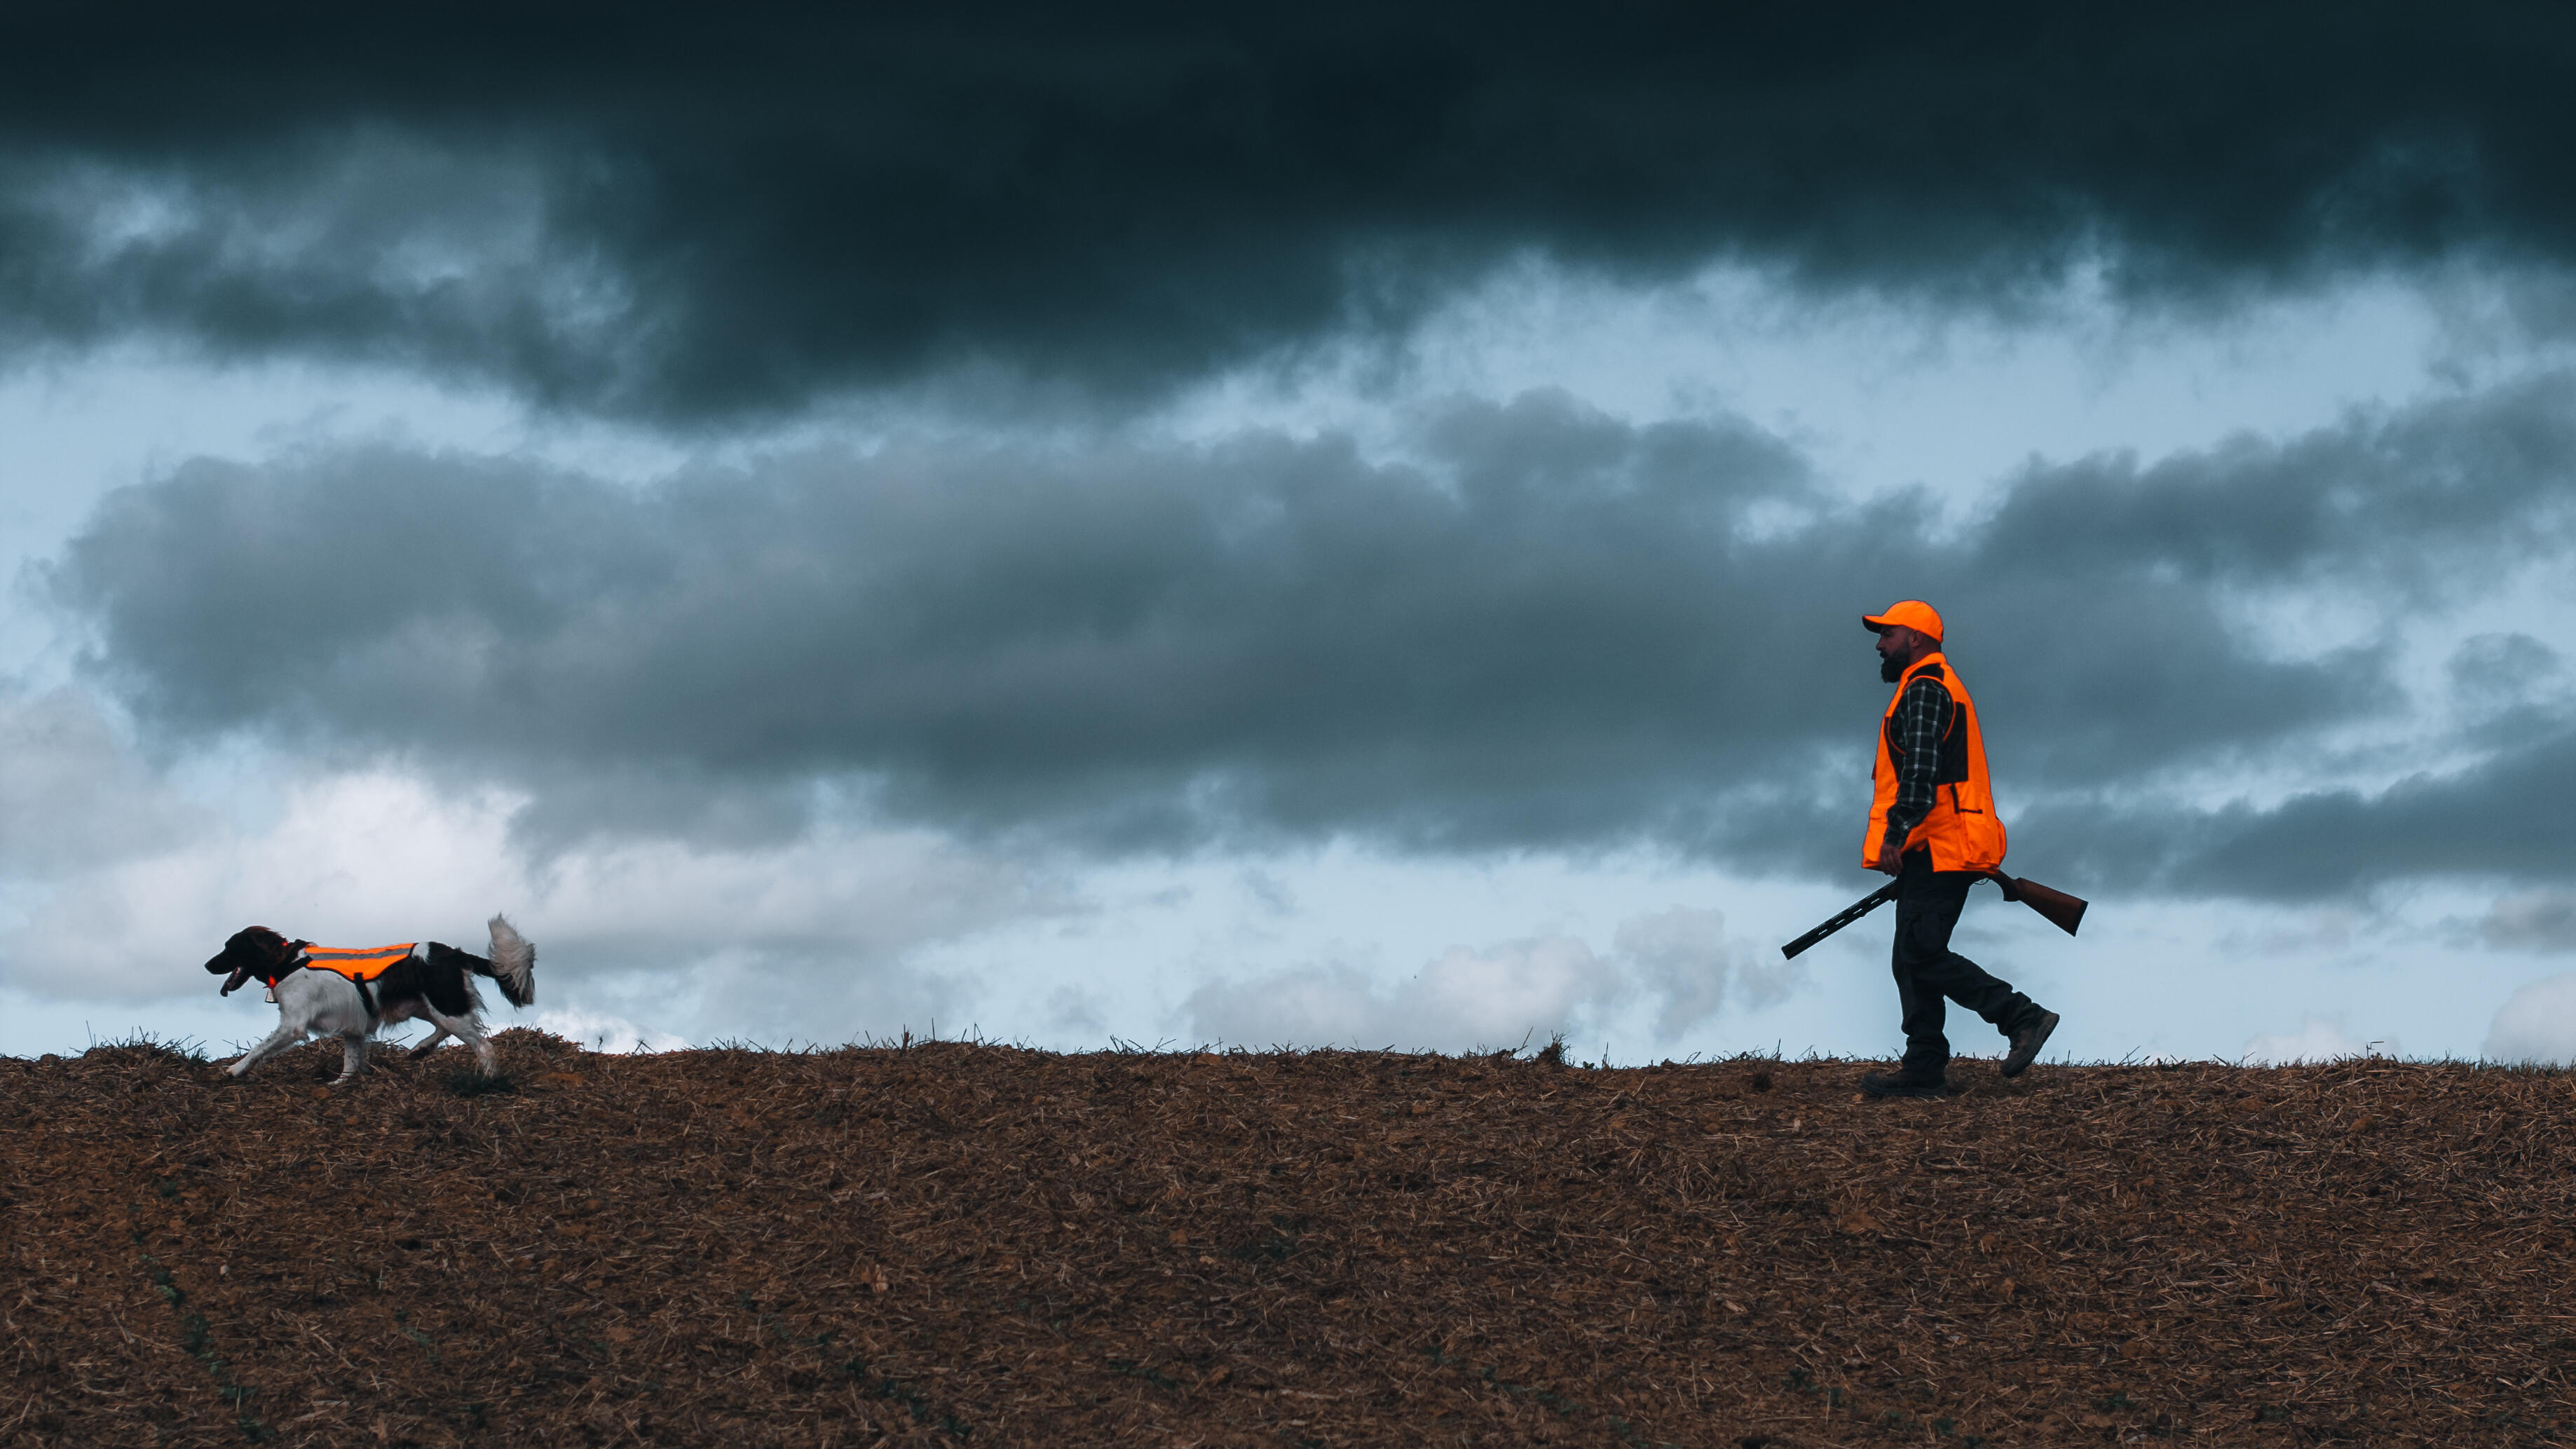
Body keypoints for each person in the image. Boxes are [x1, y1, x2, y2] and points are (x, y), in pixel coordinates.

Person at [1857, 600, 2058, 1098]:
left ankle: (2021, 1016)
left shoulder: (1925, 690)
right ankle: (1923, 1068)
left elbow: (1920, 777)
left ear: (1916, 639)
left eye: (1888, 634)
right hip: (1938, 842)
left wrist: (1895, 835)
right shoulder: (1926, 686)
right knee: (1910, 955)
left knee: (1920, 952)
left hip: (1942, 842)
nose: (1879, 644)